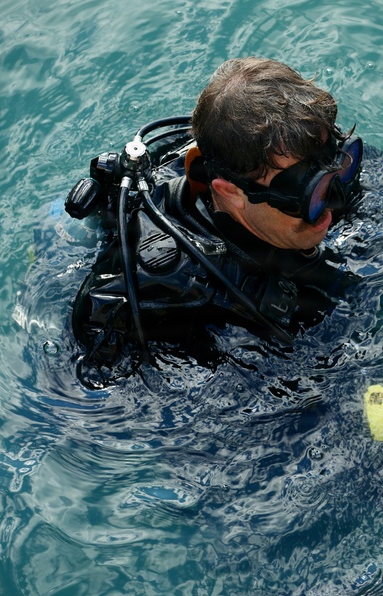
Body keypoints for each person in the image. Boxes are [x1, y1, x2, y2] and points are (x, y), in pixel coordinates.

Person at [67, 58, 363, 379]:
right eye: (310, 190)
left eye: (337, 168)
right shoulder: (167, 296)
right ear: (231, 193)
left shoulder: (300, 154)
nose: (332, 202)